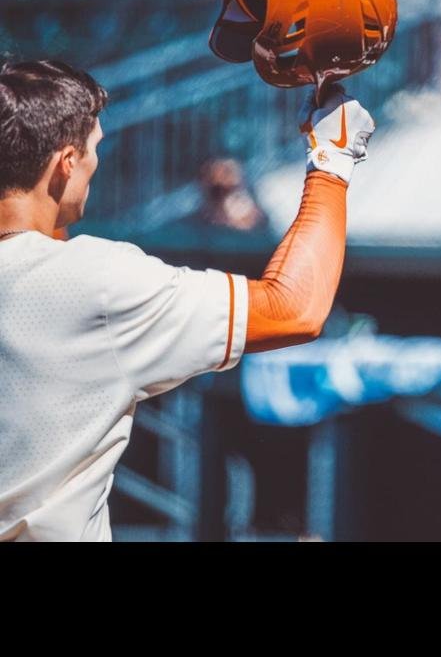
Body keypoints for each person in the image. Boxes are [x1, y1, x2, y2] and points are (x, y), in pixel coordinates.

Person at [1, 59, 375, 540]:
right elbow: (295, 309)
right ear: (66, 165)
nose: (98, 162)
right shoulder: (95, 282)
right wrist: (332, 161)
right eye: (94, 149)